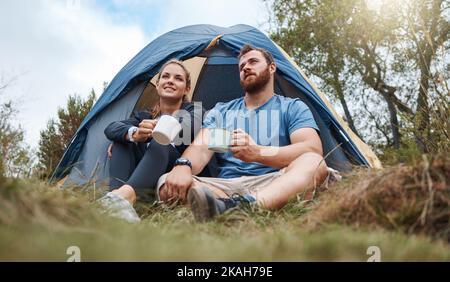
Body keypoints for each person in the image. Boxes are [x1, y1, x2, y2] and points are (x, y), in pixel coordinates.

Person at [157, 44, 329, 221]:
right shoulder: (223, 112)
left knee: (314, 162)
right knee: (166, 183)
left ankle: (243, 207)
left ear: (272, 68)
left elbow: (312, 148)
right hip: (225, 187)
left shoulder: (291, 107)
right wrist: (183, 165)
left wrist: (258, 153)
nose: (246, 67)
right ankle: (228, 206)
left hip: (276, 181)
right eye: (241, 67)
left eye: (253, 62)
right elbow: (201, 150)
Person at [99, 59, 203, 222]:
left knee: (160, 140)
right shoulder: (145, 115)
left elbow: (189, 131)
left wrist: (157, 128)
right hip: (144, 170)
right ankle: (116, 203)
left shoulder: (194, 110)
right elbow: (111, 128)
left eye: (178, 78)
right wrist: (133, 133)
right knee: (122, 141)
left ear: (186, 89)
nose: (170, 80)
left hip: (174, 169)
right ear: (158, 83)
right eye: (165, 76)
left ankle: (122, 199)